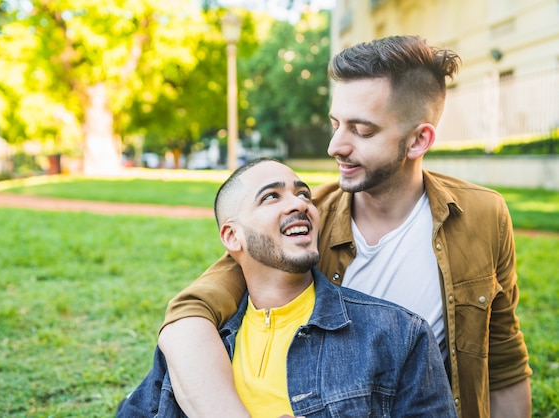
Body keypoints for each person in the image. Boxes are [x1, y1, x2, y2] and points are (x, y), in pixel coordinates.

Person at [158, 36, 533, 418]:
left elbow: (502, 357)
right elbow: (190, 315)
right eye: (336, 124)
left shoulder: (483, 215)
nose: (335, 145)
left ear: (420, 139)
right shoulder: (304, 220)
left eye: (362, 130)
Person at [117, 158, 457, 417]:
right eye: (271, 197)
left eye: (303, 194)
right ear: (232, 237)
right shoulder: (197, 344)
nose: (299, 204)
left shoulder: (396, 335)